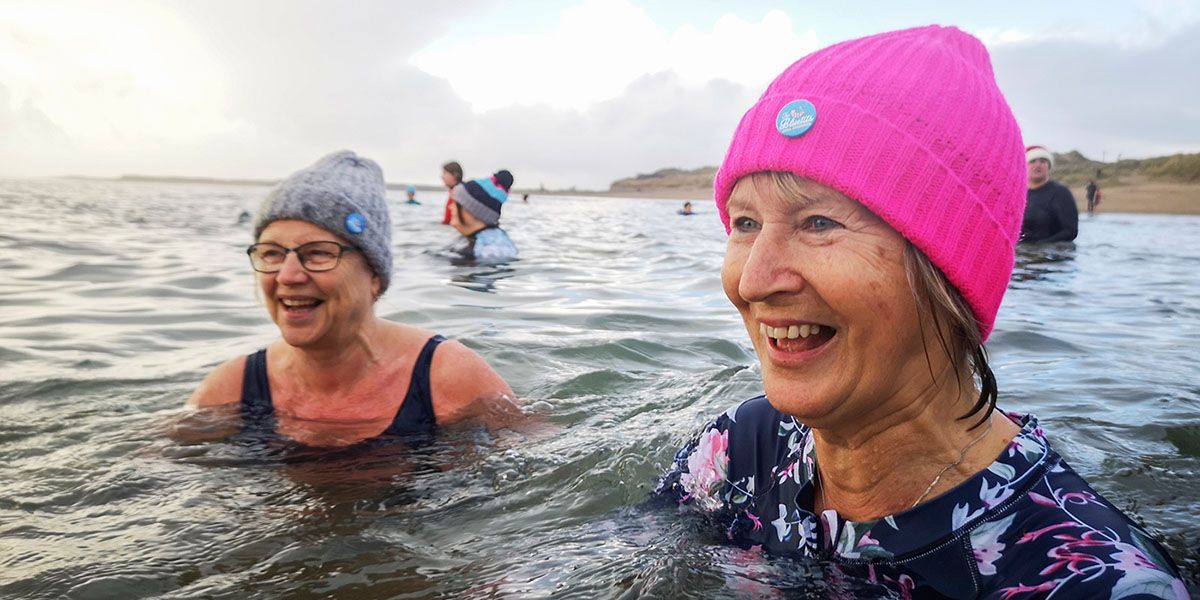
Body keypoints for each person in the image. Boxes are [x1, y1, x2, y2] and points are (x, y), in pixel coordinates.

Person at [654, 26, 1187, 599]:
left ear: (951, 270)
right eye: (746, 224)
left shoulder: (1084, 581)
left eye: (819, 223)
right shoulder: (740, 449)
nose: (753, 281)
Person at [187, 151, 517, 447]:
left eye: (317, 253)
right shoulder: (232, 389)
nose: (287, 275)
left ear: (375, 276)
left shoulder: (450, 379)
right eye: (271, 253)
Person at [448, 170, 518, 262]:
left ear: (471, 210)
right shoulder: (471, 240)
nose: (450, 207)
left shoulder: (492, 251)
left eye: (456, 203)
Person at [1020, 146, 1078, 242]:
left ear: (1049, 166)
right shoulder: (1018, 194)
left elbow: (1071, 231)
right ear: (1024, 166)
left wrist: (1039, 247)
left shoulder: (1061, 192)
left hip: (1051, 252)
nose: (1037, 165)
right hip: (1023, 251)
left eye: (1043, 161)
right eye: (1032, 161)